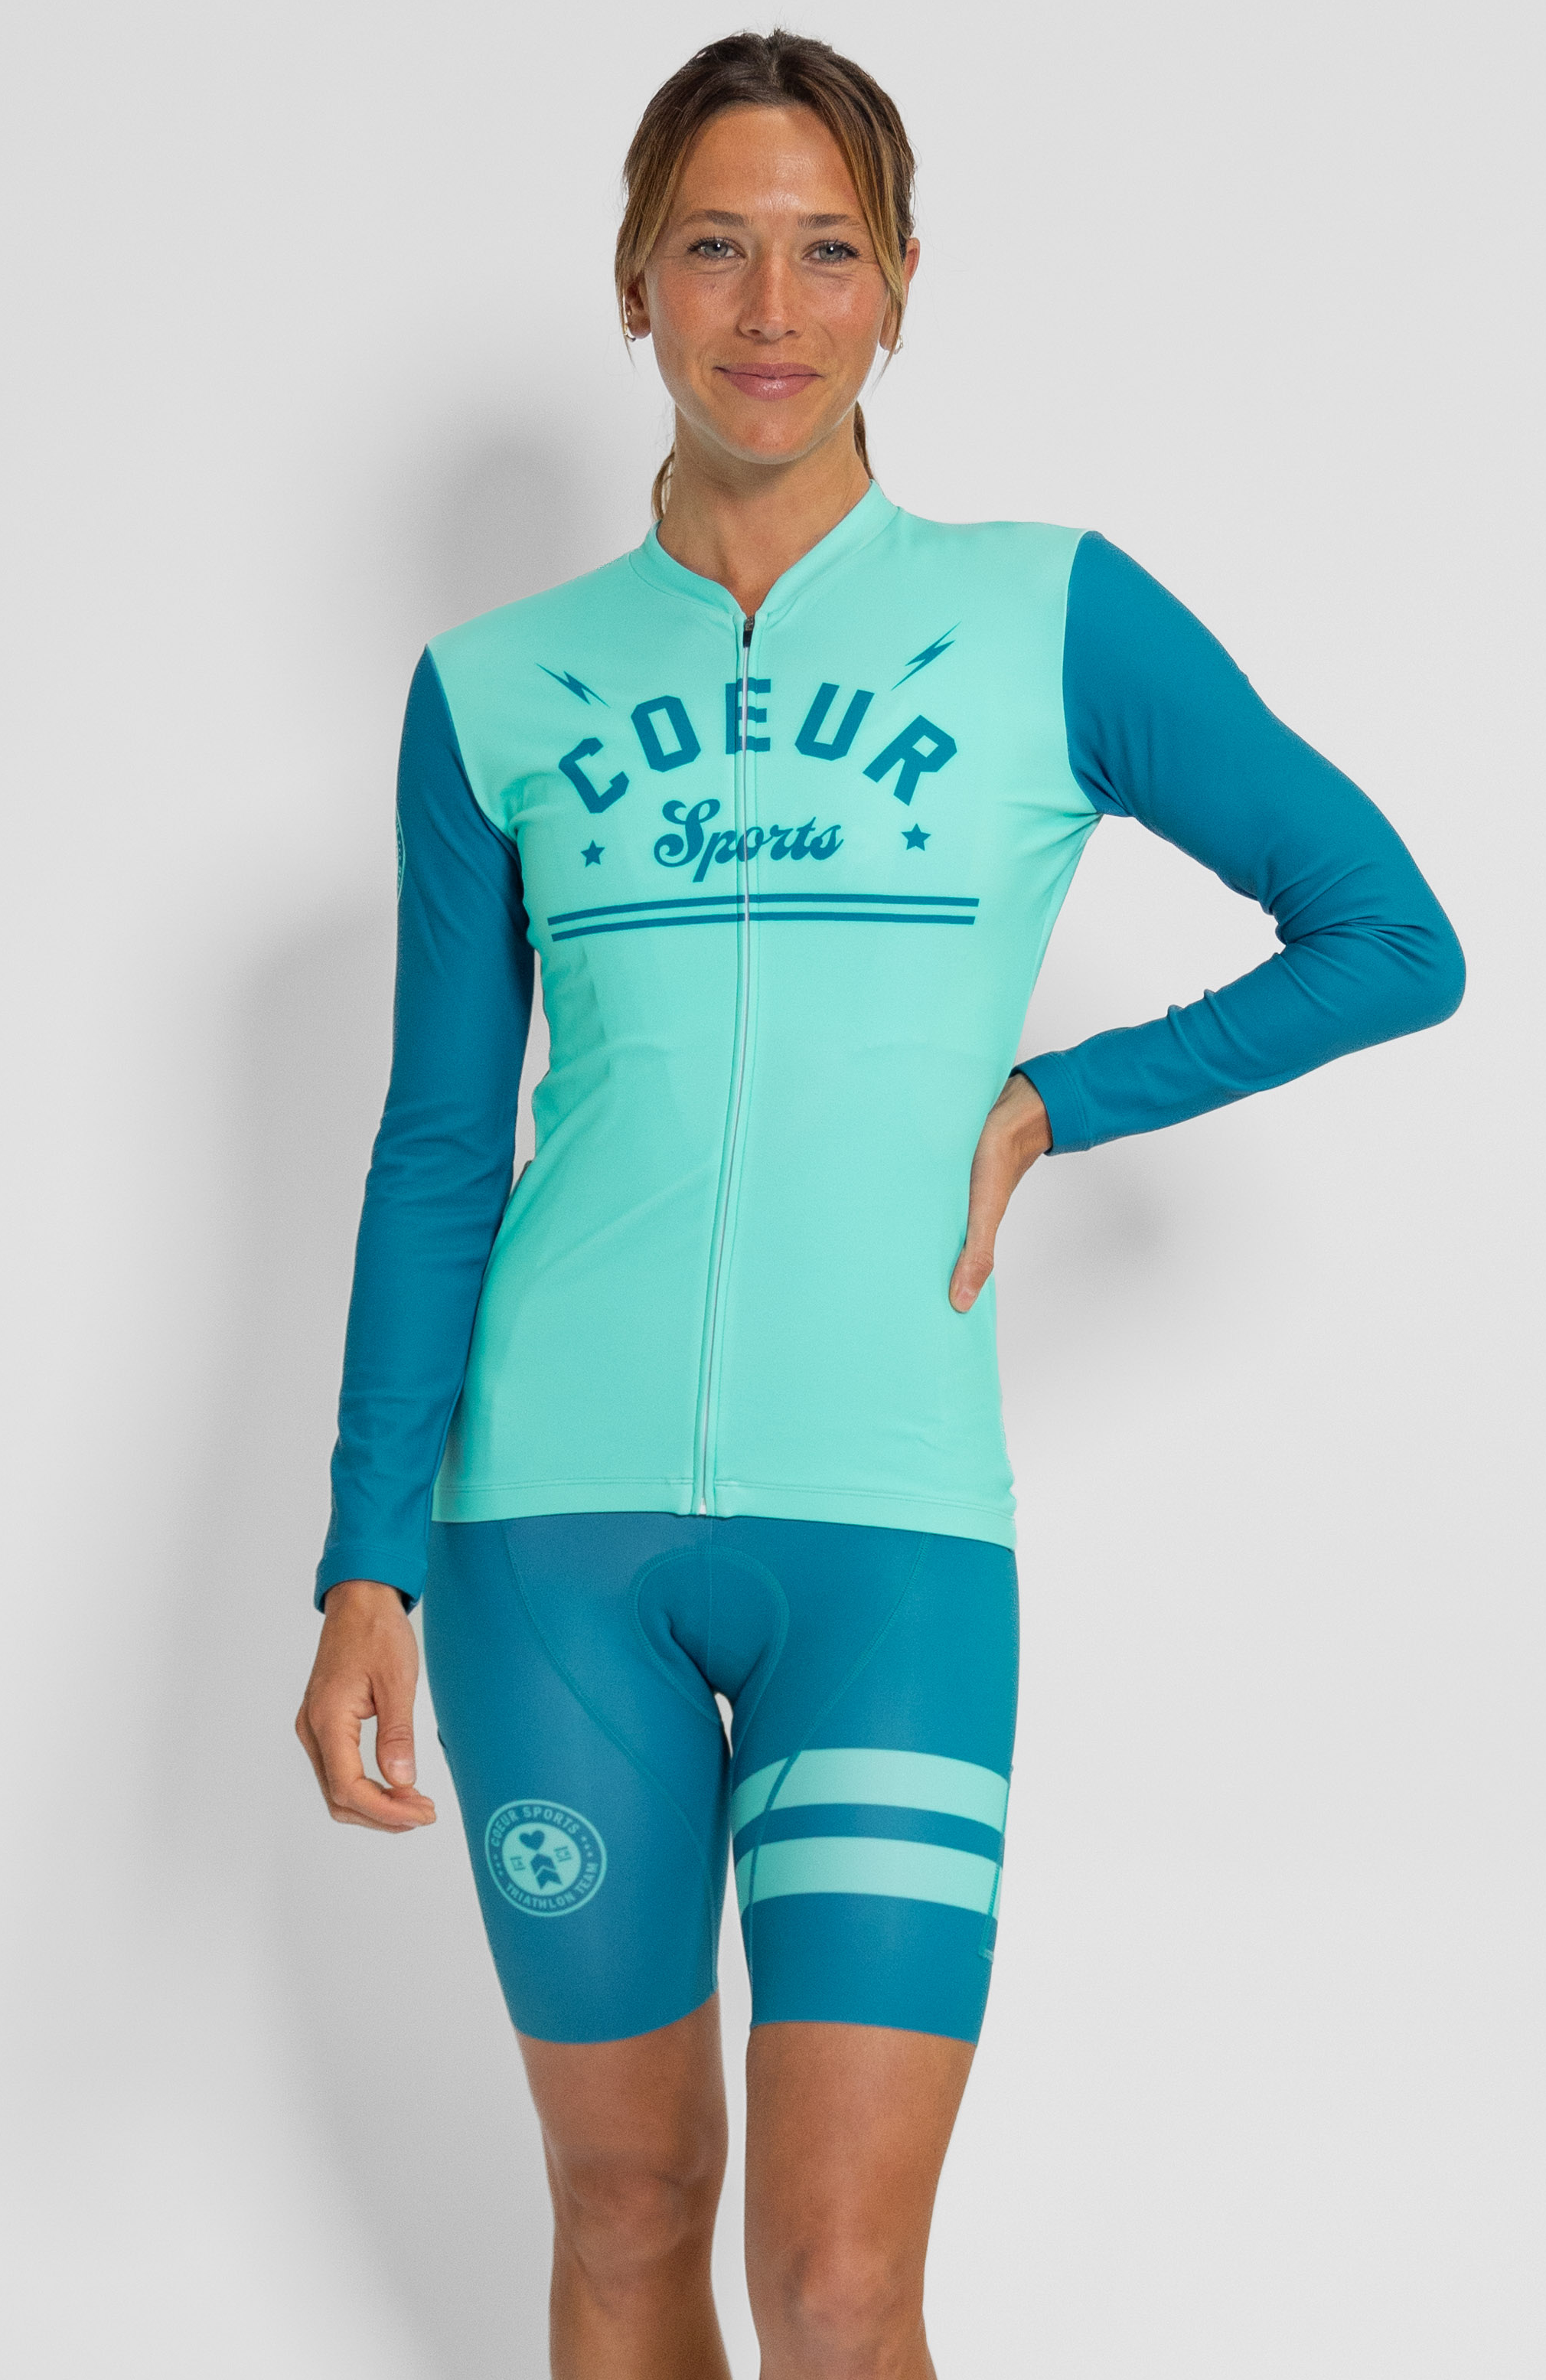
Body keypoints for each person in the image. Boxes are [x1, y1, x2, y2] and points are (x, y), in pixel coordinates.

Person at [295, 28, 1464, 2378]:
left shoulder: (1049, 616)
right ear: (632, 280)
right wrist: (362, 1557)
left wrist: (1056, 1098)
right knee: (627, 2207)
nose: (770, 305)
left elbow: (1385, 934)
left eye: (827, 250)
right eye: (714, 246)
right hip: (548, 1547)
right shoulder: (493, 690)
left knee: (840, 2288)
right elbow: (436, 1144)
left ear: (901, 286)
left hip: (891, 1547)